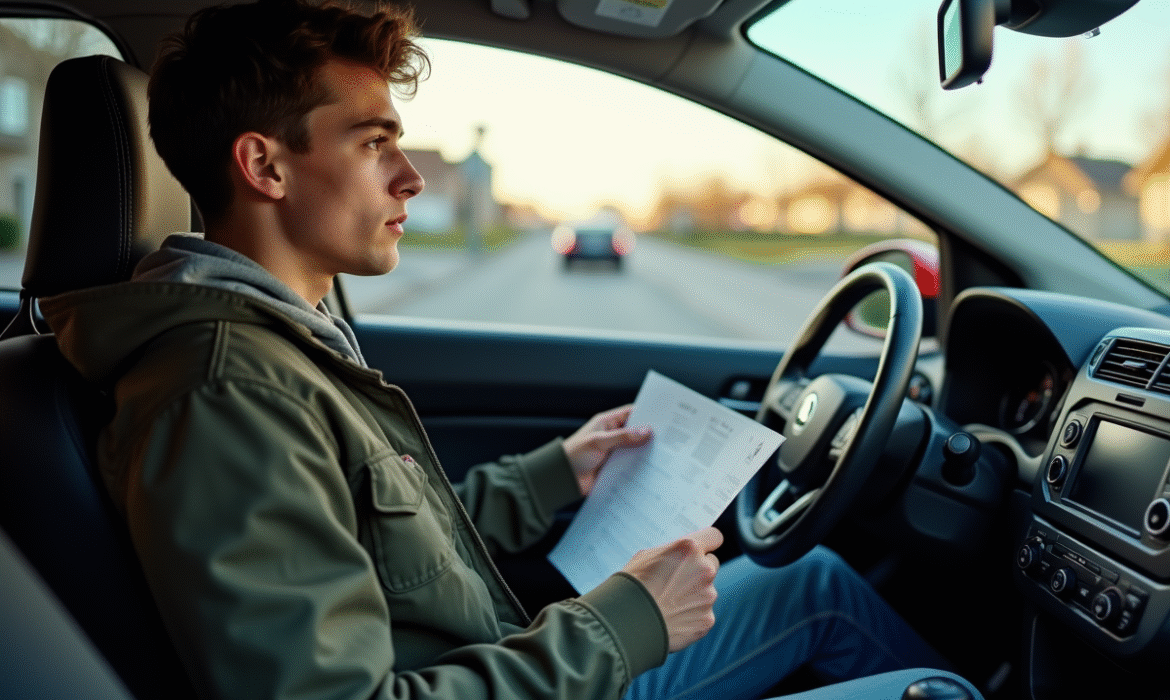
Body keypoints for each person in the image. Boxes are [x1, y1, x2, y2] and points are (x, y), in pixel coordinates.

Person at [40, 0, 961, 698]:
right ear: (265, 166)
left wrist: (558, 472)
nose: (410, 176)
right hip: (527, 672)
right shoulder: (223, 389)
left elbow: (375, 545)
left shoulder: (277, 340)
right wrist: (627, 624)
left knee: (815, 582)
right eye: (373, 144)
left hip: (505, 659)